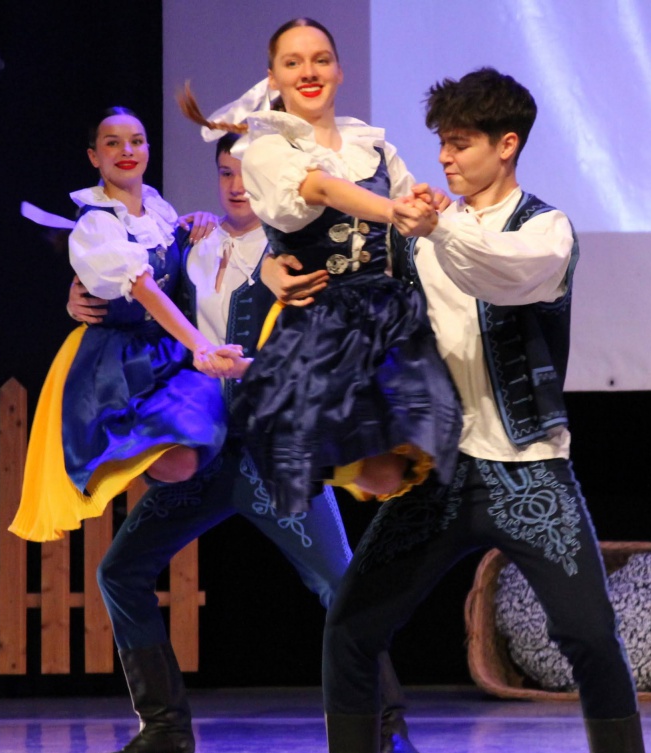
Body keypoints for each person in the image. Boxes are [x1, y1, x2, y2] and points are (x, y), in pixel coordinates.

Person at [305, 69, 648, 753]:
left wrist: (439, 226)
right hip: (437, 474)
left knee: (589, 636)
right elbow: (339, 277)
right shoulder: (414, 234)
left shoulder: (544, 229)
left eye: (460, 143)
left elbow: (500, 274)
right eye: (441, 143)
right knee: (350, 629)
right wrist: (278, 274)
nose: (445, 158)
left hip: (528, 469)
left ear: (507, 144)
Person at [67, 132, 426, 753]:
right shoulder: (190, 243)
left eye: (245, 173)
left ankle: (388, 728)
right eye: (225, 172)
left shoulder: (296, 251)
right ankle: (165, 728)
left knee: (340, 583)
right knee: (119, 572)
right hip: (207, 452)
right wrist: (77, 301)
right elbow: (133, 295)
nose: (236, 185)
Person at [178, 17, 464, 524]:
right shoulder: (269, 148)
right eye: (293, 62)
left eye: (321, 60)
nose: (309, 71)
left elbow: (413, 216)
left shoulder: (372, 146)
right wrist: (393, 210)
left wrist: (427, 202)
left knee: (397, 465)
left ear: (339, 70)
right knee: (331, 454)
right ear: (274, 78)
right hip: (324, 319)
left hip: (387, 315)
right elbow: (321, 189)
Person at [9, 107, 244, 543]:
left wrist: (199, 222)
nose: (126, 151)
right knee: (161, 454)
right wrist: (200, 345)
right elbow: (144, 287)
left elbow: (174, 263)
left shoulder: (158, 211)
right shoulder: (97, 222)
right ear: (94, 156)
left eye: (136, 141)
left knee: (197, 438)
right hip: (114, 361)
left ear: (148, 149)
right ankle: (135, 473)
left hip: (163, 351)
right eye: (112, 143)